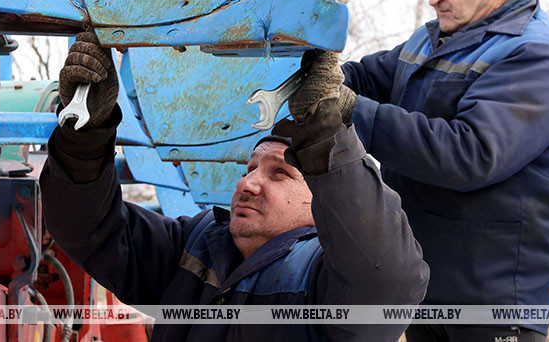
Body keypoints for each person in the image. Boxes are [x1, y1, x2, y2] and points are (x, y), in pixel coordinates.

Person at [295, 0, 549, 341]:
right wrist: (313, 73)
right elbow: (369, 78)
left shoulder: (538, 55)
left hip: (493, 302)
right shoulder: (433, 40)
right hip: (429, 290)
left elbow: (469, 155)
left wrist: (346, 105)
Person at [40, 32, 429, 341]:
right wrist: (86, 135)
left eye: (280, 173)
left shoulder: (321, 279)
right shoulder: (195, 247)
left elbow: (389, 281)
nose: (249, 182)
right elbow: (86, 229)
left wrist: (327, 135)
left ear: (323, 201)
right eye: (250, 167)